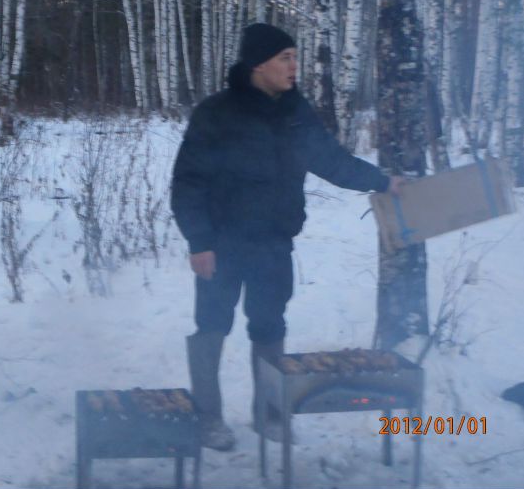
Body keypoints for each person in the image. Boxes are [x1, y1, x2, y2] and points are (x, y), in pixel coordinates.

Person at [170, 23, 402, 451]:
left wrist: (381, 181)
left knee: (269, 326)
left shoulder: (295, 113)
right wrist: (198, 241)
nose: (295, 66)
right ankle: (207, 419)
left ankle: (270, 414)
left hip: (274, 242)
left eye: (295, 57)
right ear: (259, 64)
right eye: (286, 58)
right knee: (212, 326)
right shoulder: (216, 113)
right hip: (221, 243)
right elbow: (188, 182)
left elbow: (331, 160)